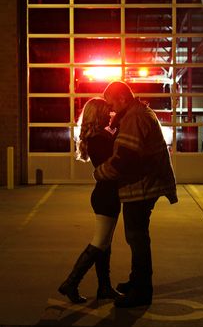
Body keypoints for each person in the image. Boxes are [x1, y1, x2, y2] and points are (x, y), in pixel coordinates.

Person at [94, 81, 178, 308]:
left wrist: (100, 172)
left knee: (137, 238)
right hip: (143, 186)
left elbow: (125, 157)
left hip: (141, 188)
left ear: (121, 98)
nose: (111, 109)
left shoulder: (134, 118)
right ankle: (136, 281)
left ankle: (141, 291)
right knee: (137, 238)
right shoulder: (138, 112)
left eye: (112, 104)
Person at [58, 97, 122, 304]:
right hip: (106, 195)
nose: (110, 115)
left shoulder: (97, 137)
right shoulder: (100, 139)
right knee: (100, 242)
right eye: (107, 111)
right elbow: (116, 161)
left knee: (105, 243)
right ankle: (71, 283)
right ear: (98, 114)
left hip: (106, 194)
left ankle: (104, 287)